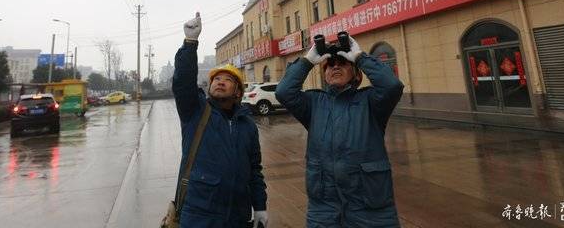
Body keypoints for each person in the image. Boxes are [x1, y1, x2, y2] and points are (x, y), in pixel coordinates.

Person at [275, 35, 404, 227]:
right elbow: (284, 92)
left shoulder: (371, 102)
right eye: (329, 65)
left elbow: (392, 86)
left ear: (355, 73)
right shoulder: (313, 103)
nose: (335, 67)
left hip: (370, 210)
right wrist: (308, 61)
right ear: (324, 74)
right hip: (325, 210)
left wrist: (360, 56)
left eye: (343, 63)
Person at [172, 12, 268, 227]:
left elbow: (255, 169)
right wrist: (190, 43)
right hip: (199, 216)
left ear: (238, 92)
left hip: (238, 217)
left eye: (228, 79)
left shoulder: (248, 125)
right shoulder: (195, 111)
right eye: (216, 79)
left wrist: (260, 206)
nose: (220, 82)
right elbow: (183, 82)